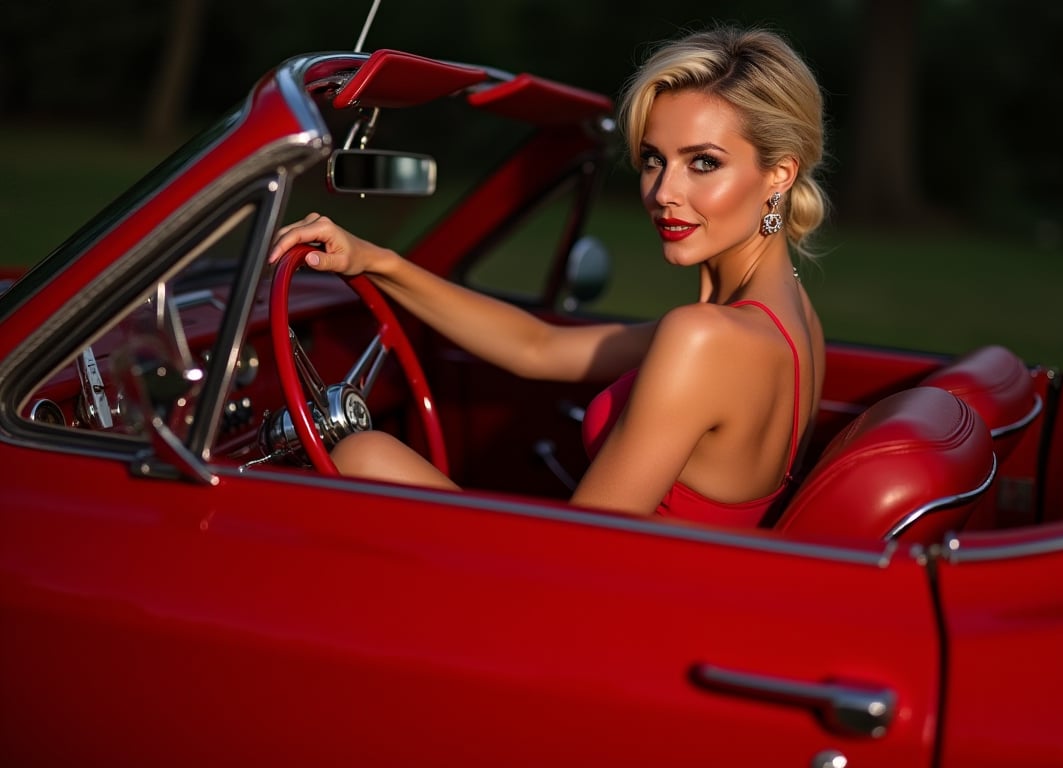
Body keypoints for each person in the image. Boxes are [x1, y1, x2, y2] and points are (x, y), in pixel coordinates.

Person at [268, 25, 828, 527]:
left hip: (601, 612)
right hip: (658, 597)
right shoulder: (789, 317)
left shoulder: (706, 338)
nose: (664, 194)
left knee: (363, 457)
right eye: (655, 159)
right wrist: (378, 261)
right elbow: (538, 346)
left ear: (779, 173)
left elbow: (579, 551)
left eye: (703, 162)